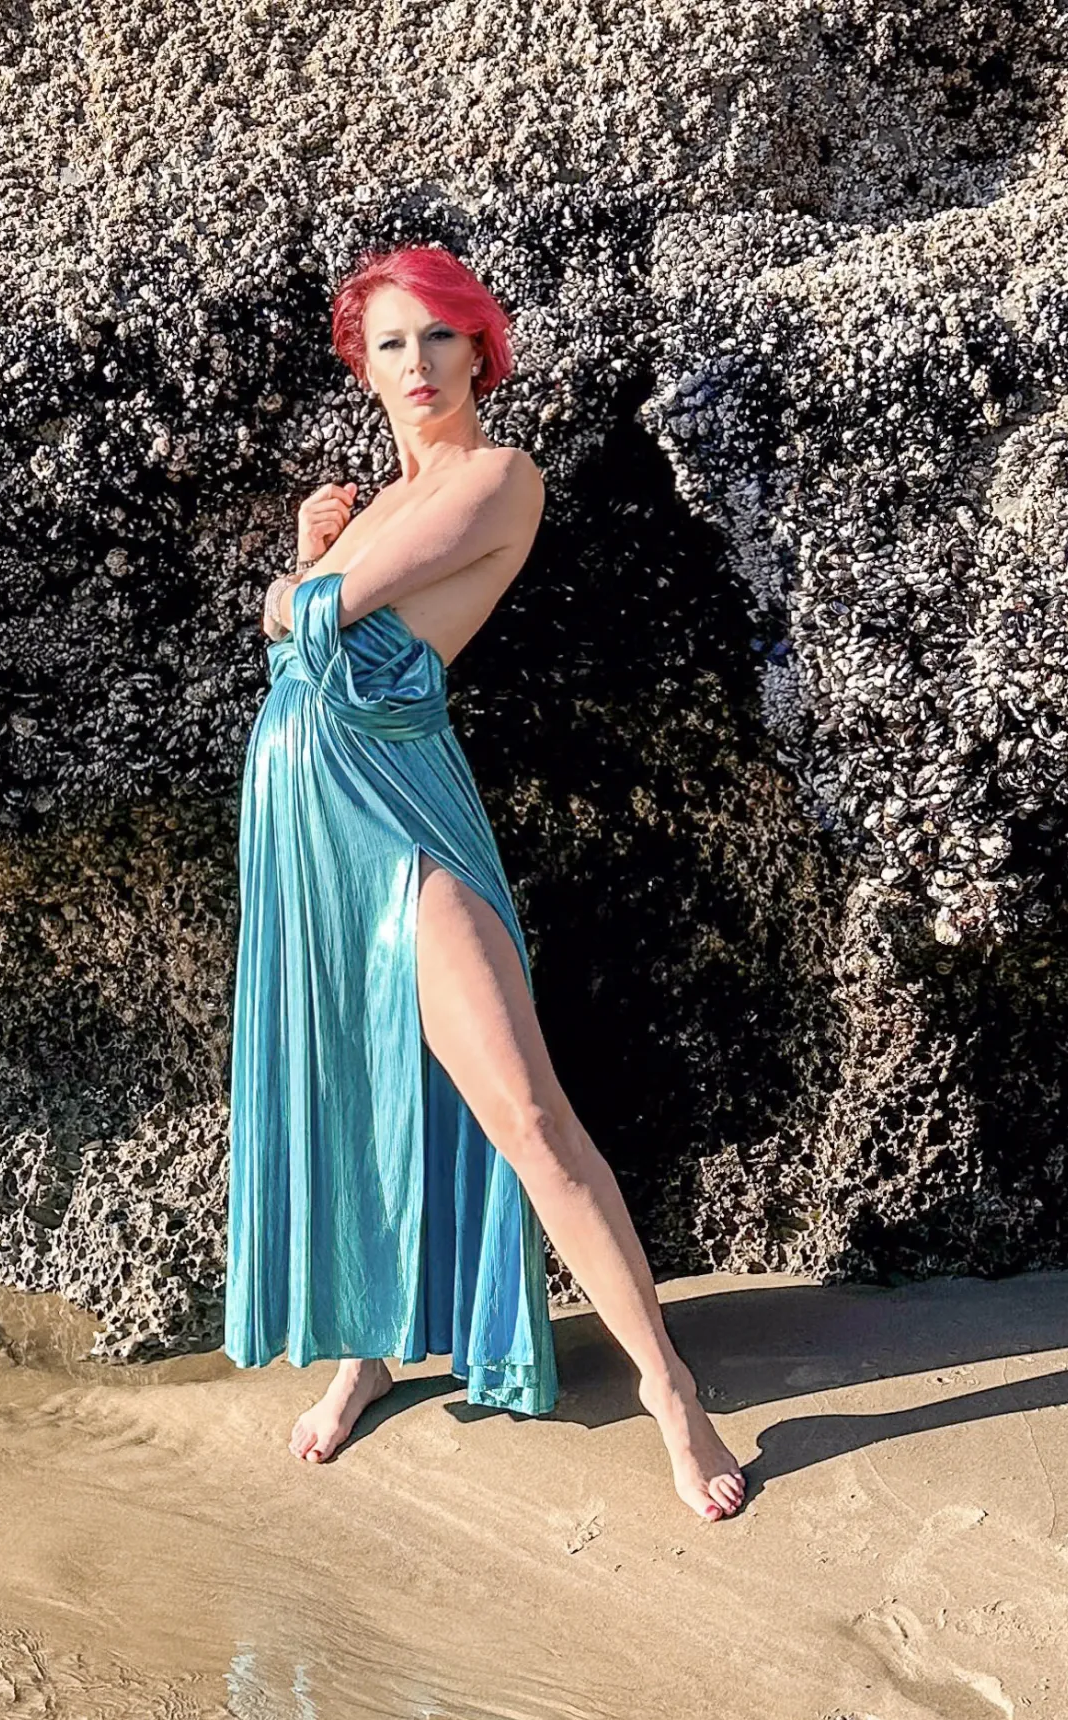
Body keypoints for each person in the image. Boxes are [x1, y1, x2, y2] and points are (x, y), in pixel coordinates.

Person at [225, 244, 746, 1521]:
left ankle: (673, 1398)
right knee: (351, 1095)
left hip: (404, 828)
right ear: (366, 364)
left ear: (479, 350)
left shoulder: (500, 477)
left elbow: (327, 612)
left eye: (437, 339)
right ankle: (365, 1352)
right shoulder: (370, 502)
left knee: (523, 1112)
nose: (415, 365)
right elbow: (295, 616)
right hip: (302, 839)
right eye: (389, 344)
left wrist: (302, 582)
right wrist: (303, 572)